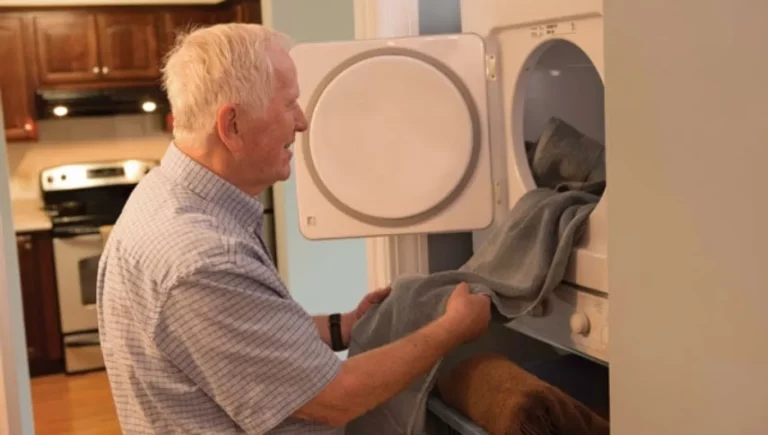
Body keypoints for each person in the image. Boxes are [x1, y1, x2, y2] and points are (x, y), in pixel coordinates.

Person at [96, 23, 491, 434]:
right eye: (289, 104)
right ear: (231, 125)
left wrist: (341, 326)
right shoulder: (202, 256)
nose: (301, 123)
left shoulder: (165, 196)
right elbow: (335, 398)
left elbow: (235, 345)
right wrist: (453, 329)